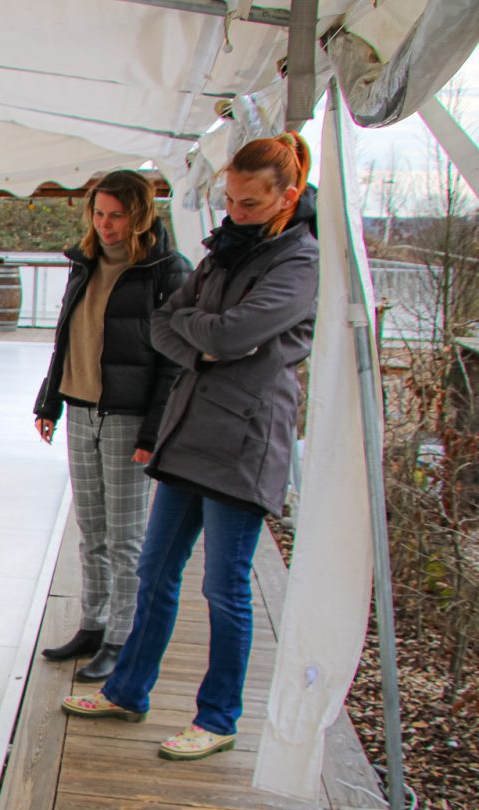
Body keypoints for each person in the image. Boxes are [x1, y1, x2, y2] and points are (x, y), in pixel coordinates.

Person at [61, 132, 318, 760]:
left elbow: (233, 334)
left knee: (224, 588)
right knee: (154, 571)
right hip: (189, 432)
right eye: (229, 200)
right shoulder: (225, 252)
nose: (235, 214)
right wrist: (210, 339)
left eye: (250, 204)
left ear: (286, 198)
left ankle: (218, 715)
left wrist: (205, 336)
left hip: (243, 442)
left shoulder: (299, 260)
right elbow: (165, 327)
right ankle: (129, 690)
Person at [33, 170, 191, 682]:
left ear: (140, 214)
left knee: (126, 538)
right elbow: (66, 339)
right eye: (99, 214)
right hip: (81, 410)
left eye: (117, 215)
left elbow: (175, 363)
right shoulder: (84, 264)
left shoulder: (167, 271)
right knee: (91, 531)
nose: (106, 225)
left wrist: (153, 432)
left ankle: (122, 637)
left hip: (128, 418)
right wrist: (49, 402)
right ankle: (93, 624)